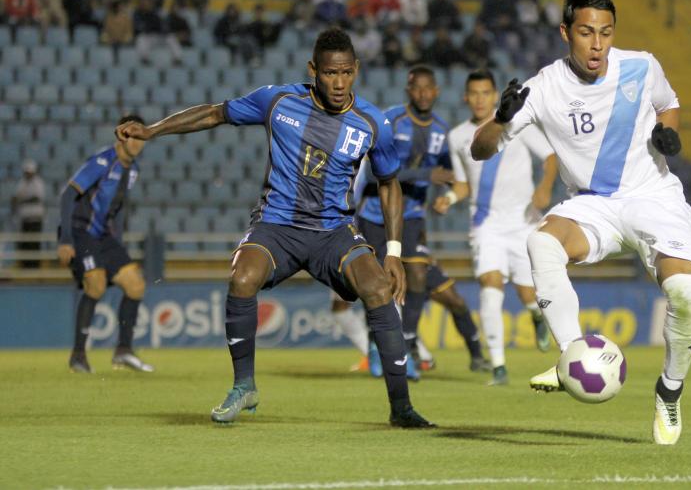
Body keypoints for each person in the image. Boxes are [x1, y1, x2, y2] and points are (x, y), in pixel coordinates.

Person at [115, 28, 434, 428]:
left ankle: (401, 406)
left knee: (378, 289)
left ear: (357, 70)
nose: (339, 83)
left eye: (347, 73)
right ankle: (244, 386)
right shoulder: (278, 100)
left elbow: (389, 183)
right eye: (331, 73)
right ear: (313, 69)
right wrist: (152, 131)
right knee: (242, 276)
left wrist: (393, 252)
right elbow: (215, 112)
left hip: (332, 232)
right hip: (277, 226)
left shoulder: (372, 123)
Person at [469, 0, 691, 445]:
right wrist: (499, 119)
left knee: (685, 293)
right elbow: (480, 149)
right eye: (586, 33)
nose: (598, 45)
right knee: (541, 242)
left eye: (606, 33)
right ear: (565, 33)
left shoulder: (641, 65)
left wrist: (667, 134)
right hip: (593, 203)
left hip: (653, 195)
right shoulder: (543, 87)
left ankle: (669, 393)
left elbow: (668, 104)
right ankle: (572, 355)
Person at [357, 67, 484, 374]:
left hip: (411, 215)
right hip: (376, 214)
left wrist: (450, 195)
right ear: (408, 91)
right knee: (378, 285)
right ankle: (376, 346)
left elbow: (450, 171)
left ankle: (407, 342)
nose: (424, 94)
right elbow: (376, 172)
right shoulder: (391, 120)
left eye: (430, 89)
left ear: (437, 91)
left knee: (415, 275)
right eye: (418, 89)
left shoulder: (442, 131)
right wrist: (427, 175)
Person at [435, 69, 557, 385]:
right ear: (465, 97)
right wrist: (450, 196)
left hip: (522, 219)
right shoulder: (458, 136)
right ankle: (499, 366)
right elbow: (463, 184)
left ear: (493, 96)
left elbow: (551, 157)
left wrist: (544, 187)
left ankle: (535, 314)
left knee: (526, 289)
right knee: (490, 285)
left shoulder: (516, 123)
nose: (479, 99)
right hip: (485, 222)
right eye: (473, 93)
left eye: (485, 93)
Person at [59, 114, 154, 374]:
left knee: (135, 285)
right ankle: (78, 356)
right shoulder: (102, 161)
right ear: (122, 135)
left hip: (104, 237)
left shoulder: (132, 170)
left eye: (141, 136)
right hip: (81, 231)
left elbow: (119, 209)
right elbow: (68, 194)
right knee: (96, 283)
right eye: (132, 135)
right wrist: (66, 238)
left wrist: (119, 244)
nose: (137, 142)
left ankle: (123, 351)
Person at [12, 159, 46, 269]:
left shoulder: (38, 182)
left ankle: (34, 266)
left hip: (35, 218)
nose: (28, 174)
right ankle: (25, 266)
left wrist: (23, 200)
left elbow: (36, 198)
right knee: (25, 243)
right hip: (25, 218)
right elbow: (15, 198)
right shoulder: (21, 183)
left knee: (34, 243)